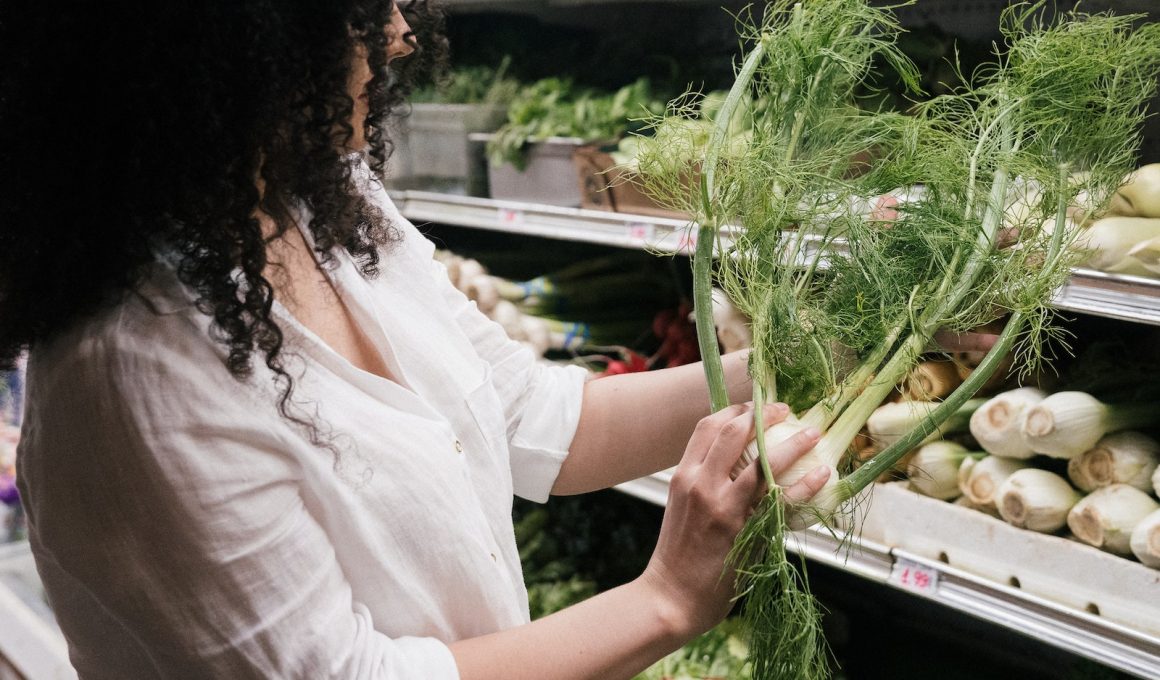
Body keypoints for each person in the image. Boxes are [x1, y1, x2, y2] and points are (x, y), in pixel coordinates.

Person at [0, 2, 830, 678]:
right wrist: (668, 599)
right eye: (355, 10)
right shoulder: (135, 375)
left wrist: (808, 358)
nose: (399, 32)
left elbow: (531, 412)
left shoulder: (319, 202)